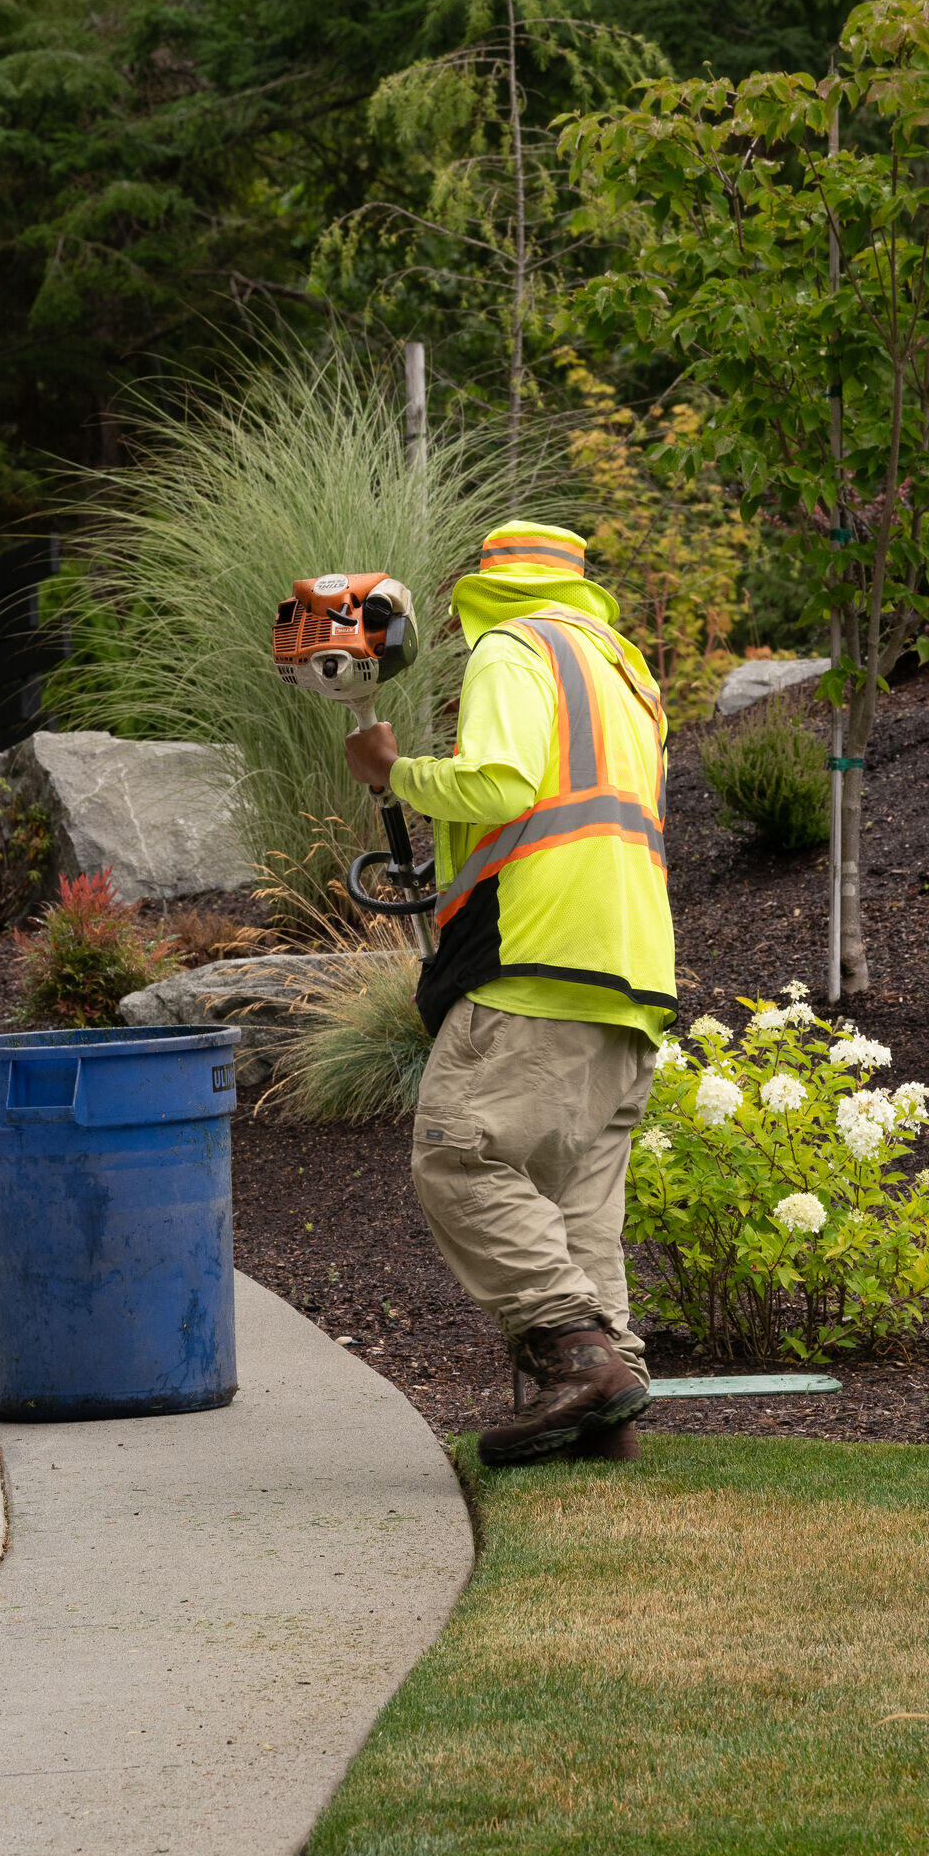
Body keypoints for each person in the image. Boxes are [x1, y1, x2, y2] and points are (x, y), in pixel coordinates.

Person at [342, 521, 676, 1466]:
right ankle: (604, 1416)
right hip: (633, 970)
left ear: (483, 587)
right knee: (577, 1202)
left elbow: (498, 784)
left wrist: (392, 772)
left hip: (535, 955)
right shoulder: (626, 673)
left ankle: (580, 1359)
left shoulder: (512, 646)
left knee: (461, 1157)